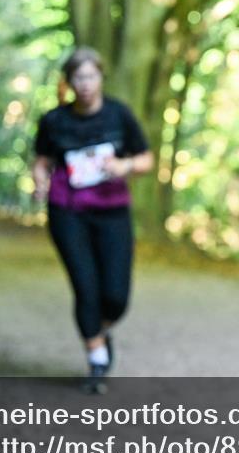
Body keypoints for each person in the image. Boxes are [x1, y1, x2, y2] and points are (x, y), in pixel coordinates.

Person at [32, 47, 154, 394]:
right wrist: (40, 182)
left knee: (115, 296)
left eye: (91, 76)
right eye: (78, 78)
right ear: (69, 82)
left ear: (101, 77)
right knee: (86, 287)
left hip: (112, 211)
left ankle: (99, 328)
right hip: (67, 211)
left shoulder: (119, 115)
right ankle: (96, 358)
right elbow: (41, 161)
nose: (85, 84)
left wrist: (124, 166)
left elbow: (146, 158)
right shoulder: (54, 120)